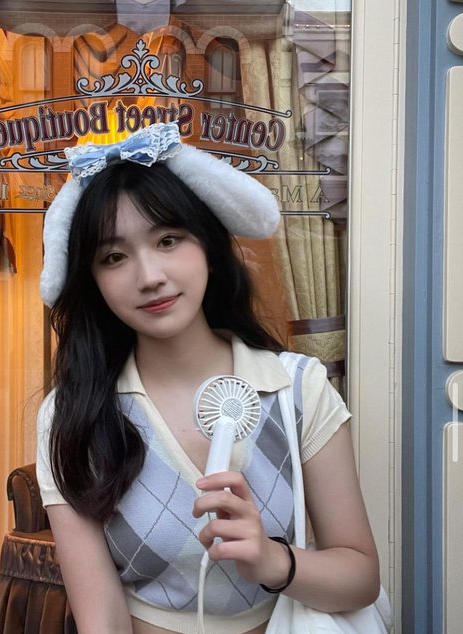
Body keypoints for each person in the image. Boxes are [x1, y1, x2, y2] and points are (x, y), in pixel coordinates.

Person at [36, 122, 380, 634]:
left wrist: (272, 561)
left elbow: (360, 577)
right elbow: (101, 619)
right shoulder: (73, 414)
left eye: (168, 240)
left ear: (209, 251)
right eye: (114, 257)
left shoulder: (297, 389)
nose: (150, 276)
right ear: (95, 283)